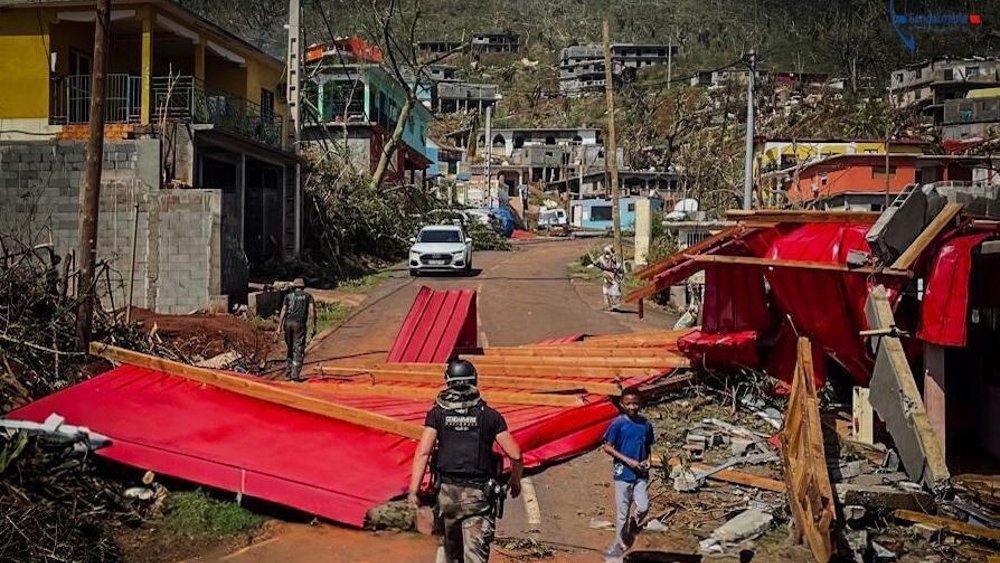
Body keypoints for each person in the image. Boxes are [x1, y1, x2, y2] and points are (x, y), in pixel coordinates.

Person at [408, 359, 523, 563]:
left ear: (448, 382)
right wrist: (515, 480)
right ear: (474, 381)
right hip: (478, 498)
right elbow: (515, 454)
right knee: (474, 556)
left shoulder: (437, 414)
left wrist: (413, 492)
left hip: (447, 496)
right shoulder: (490, 416)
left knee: (448, 553)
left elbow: (423, 453)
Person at [602, 387, 654, 559]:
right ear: (622, 404)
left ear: (641, 403)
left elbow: (648, 447)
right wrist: (628, 460)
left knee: (644, 506)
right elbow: (607, 447)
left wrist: (648, 461)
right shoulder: (618, 424)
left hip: (640, 474)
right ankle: (619, 547)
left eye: (635, 403)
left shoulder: (645, 425)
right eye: (628, 404)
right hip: (623, 473)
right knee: (622, 514)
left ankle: (634, 525)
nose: (632, 407)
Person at [276, 278, 316, 380]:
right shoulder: (308, 296)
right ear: (303, 287)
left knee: (290, 348)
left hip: (287, 324)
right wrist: (314, 326)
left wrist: (279, 327)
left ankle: (288, 373)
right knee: (298, 348)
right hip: (299, 324)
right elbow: (312, 310)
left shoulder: (288, 296)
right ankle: (294, 375)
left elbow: (283, 310)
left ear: (294, 287)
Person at [595, 245, 624, 312]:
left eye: (608, 252)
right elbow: (596, 263)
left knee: (615, 290)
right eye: (606, 252)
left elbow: (618, 267)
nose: (607, 254)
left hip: (614, 276)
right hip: (606, 276)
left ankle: (615, 305)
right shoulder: (601, 258)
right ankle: (608, 306)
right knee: (606, 291)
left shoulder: (614, 258)